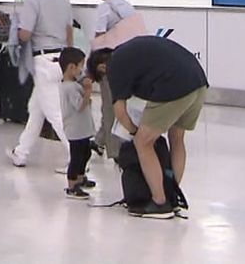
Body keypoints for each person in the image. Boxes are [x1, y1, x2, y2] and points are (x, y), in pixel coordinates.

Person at [88, 34, 208, 219]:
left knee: (143, 142)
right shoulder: (130, 51)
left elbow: (119, 111)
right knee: (177, 139)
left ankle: (160, 203)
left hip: (174, 86)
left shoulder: (115, 66)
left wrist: (135, 132)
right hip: (198, 82)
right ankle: (172, 196)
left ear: (102, 67)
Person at [6, 0, 74, 168]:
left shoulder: (33, 0)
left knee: (55, 114)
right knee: (36, 108)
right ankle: (21, 152)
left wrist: (15, 31)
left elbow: (25, 35)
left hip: (43, 60)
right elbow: (69, 31)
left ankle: (79, 160)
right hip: (63, 59)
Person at [93, 0, 137, 157]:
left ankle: (114, 151)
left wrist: (93, 63)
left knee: (109, 106)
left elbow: (99, 37)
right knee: (120, 103)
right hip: (129, 61)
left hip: (110, 61)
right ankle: (99, 140)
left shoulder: (104, 8)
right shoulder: (129, 7)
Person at [58, 47, 96, 200]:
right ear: (71, 67)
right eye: (81, 66)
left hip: (82, 128)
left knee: (86, 152)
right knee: (76, 157)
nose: (82, 70)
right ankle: (72, 185)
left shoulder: (73, 84)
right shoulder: (69, 88)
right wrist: (87, 91)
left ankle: (81, 177)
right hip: (75, 130)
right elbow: (80, 106)